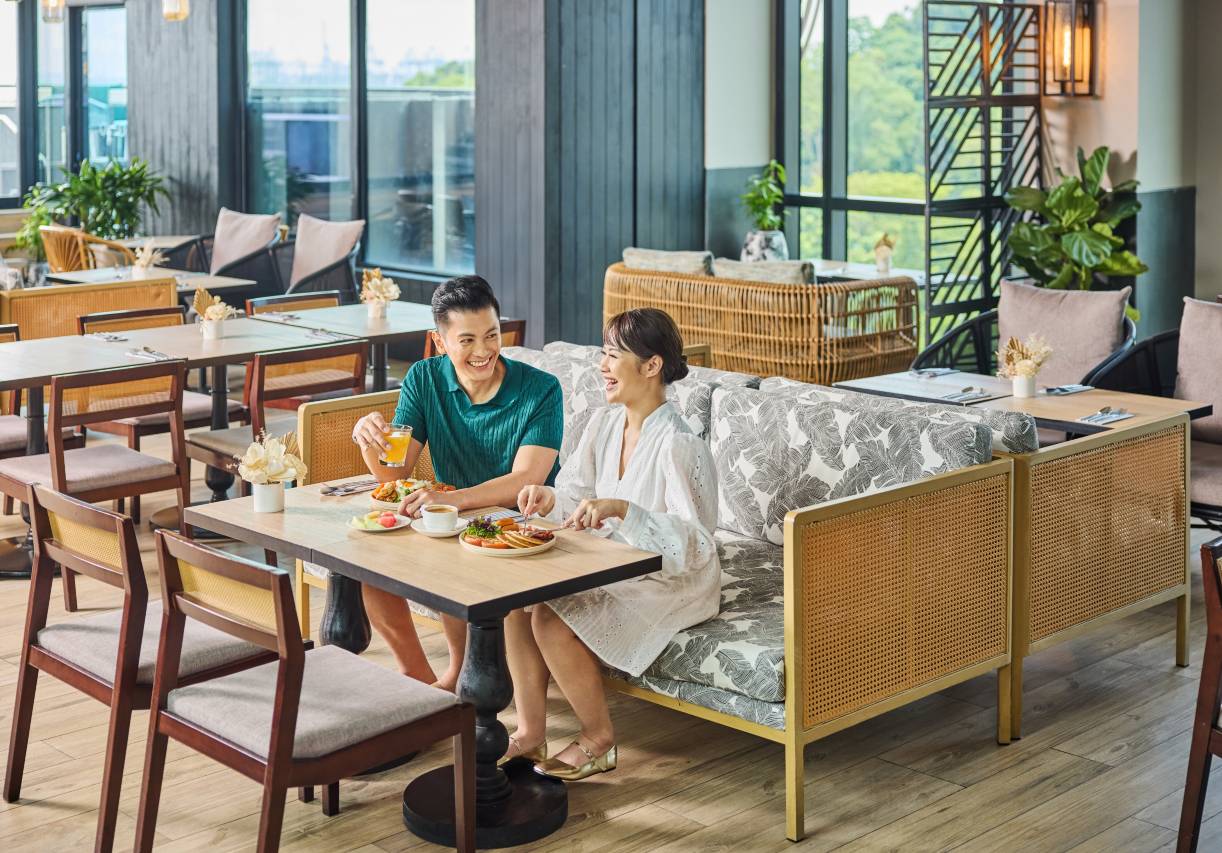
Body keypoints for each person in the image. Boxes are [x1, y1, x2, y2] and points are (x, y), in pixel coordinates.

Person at [511, 308, 720, 780]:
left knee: (548, 615)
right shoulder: (604, 426)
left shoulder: (679, 444)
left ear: (651, 366)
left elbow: (697, 544)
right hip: (612, 559)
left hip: (673, 579)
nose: (602, 366)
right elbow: (579, 496)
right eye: (602, 354)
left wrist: (626, 511)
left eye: (612, 356)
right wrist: (550, 499)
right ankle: (530, 732)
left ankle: (598, 739)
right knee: (514, 604)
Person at [350, 275, 562, 690]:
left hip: (520, 527)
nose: (483, 351)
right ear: (440, 341)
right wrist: (367, 438)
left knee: (448, 549)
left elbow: (527, 479)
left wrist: (451, 500)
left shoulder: (541, 390)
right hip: (452, 521)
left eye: (492, 335)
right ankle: (417, 675)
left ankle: (461, 676)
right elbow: (394, 473)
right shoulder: (424, 378)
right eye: (467, 340)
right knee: (367, 558)